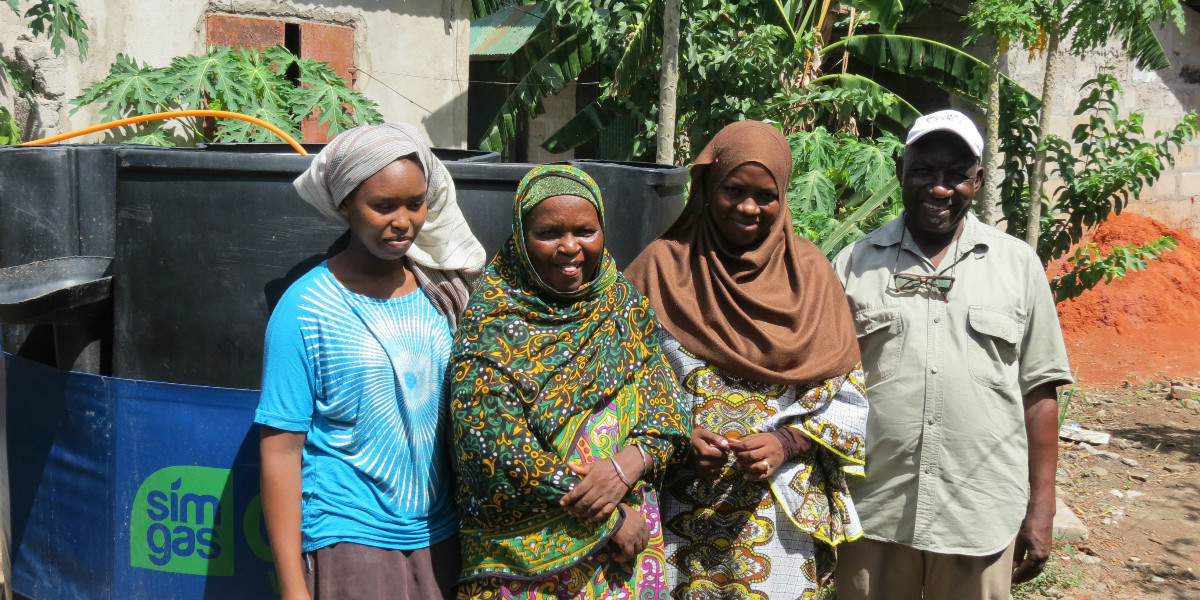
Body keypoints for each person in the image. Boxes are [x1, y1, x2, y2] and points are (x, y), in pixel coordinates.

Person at [831, 110, 1073, 600]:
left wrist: (1042, 506)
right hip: (873, 506)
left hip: (978, 510)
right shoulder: (854, 263)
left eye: (956, 175)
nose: (939, 188)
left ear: (977, 181)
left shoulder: (1017, 265)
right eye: (924, 170)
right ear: (902, 169)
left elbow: (1040, 391)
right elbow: (823, 385)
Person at [625, 120, 870, 599]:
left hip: (778, 520)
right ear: (708, 187)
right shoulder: (660, 267)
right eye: (733, 190)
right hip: (676, 511)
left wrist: (786, 442)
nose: (749, 208)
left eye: (766, 195)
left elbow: (848, 394)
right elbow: (619, 382)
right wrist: (676, 438)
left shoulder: (812, 276)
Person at [255, 123, 486, 600]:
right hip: (348, 537)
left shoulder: (443, 296)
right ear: (345, 206)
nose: (403, 221)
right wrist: (293, 588)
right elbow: (280, 452)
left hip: (440, 533)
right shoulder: (306, 309)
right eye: (383, 206)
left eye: (415, 204)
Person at [450, 164, 691, 599]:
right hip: (524, 570)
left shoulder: (623, 307)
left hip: (625, 563)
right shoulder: (493, 322)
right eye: (548, 234)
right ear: (521, 239)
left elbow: (669, 411)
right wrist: (608, 514)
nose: (570, 248)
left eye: (585, 231)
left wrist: (628, 465)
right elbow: (493, 450)